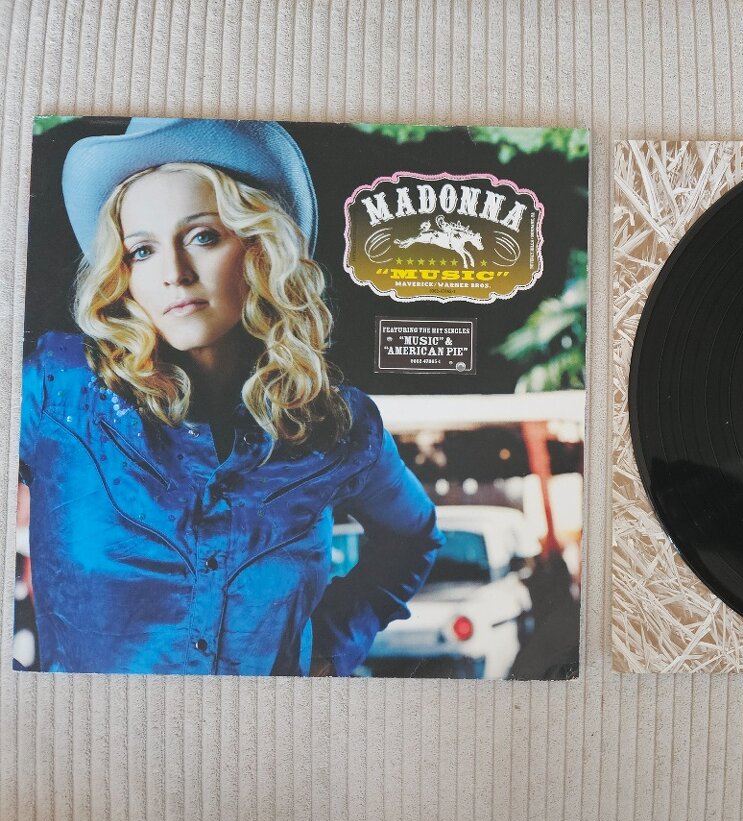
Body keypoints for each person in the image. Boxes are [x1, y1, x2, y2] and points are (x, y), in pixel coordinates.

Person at [18, 117, 443, 675]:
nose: (174, 273)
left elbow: (413, 540)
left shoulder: (339, 425)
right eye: (142, 250)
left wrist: (329, 650)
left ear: (259, 247)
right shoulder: (55, 390)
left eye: (202, 237)